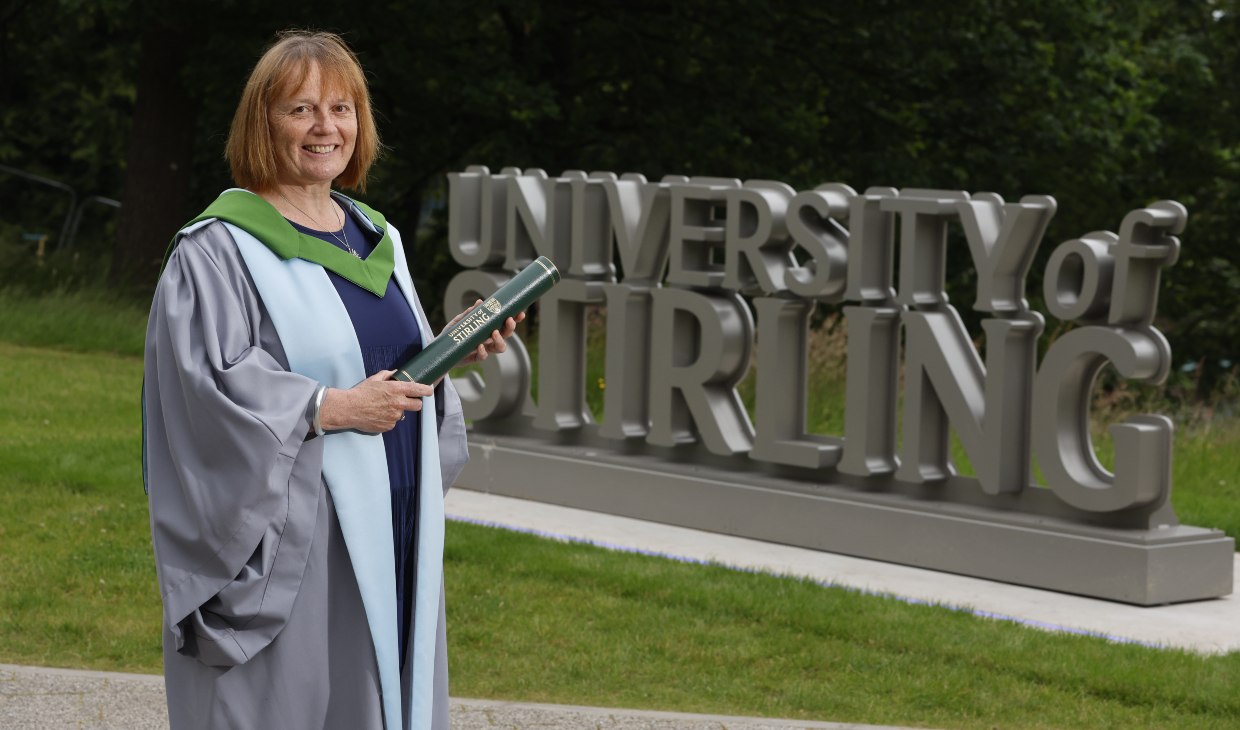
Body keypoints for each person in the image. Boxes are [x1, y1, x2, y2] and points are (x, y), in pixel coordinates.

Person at [142, 30, 520, 730]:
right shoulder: (217, 249)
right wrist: (330, 407)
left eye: (342, 109)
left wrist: (448, 349)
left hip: (392, 512)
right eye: (302, 110)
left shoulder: (376, 236)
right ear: (263, 123)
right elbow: (202, 392)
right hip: (299, 535)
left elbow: (381, 361)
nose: (327, 128)